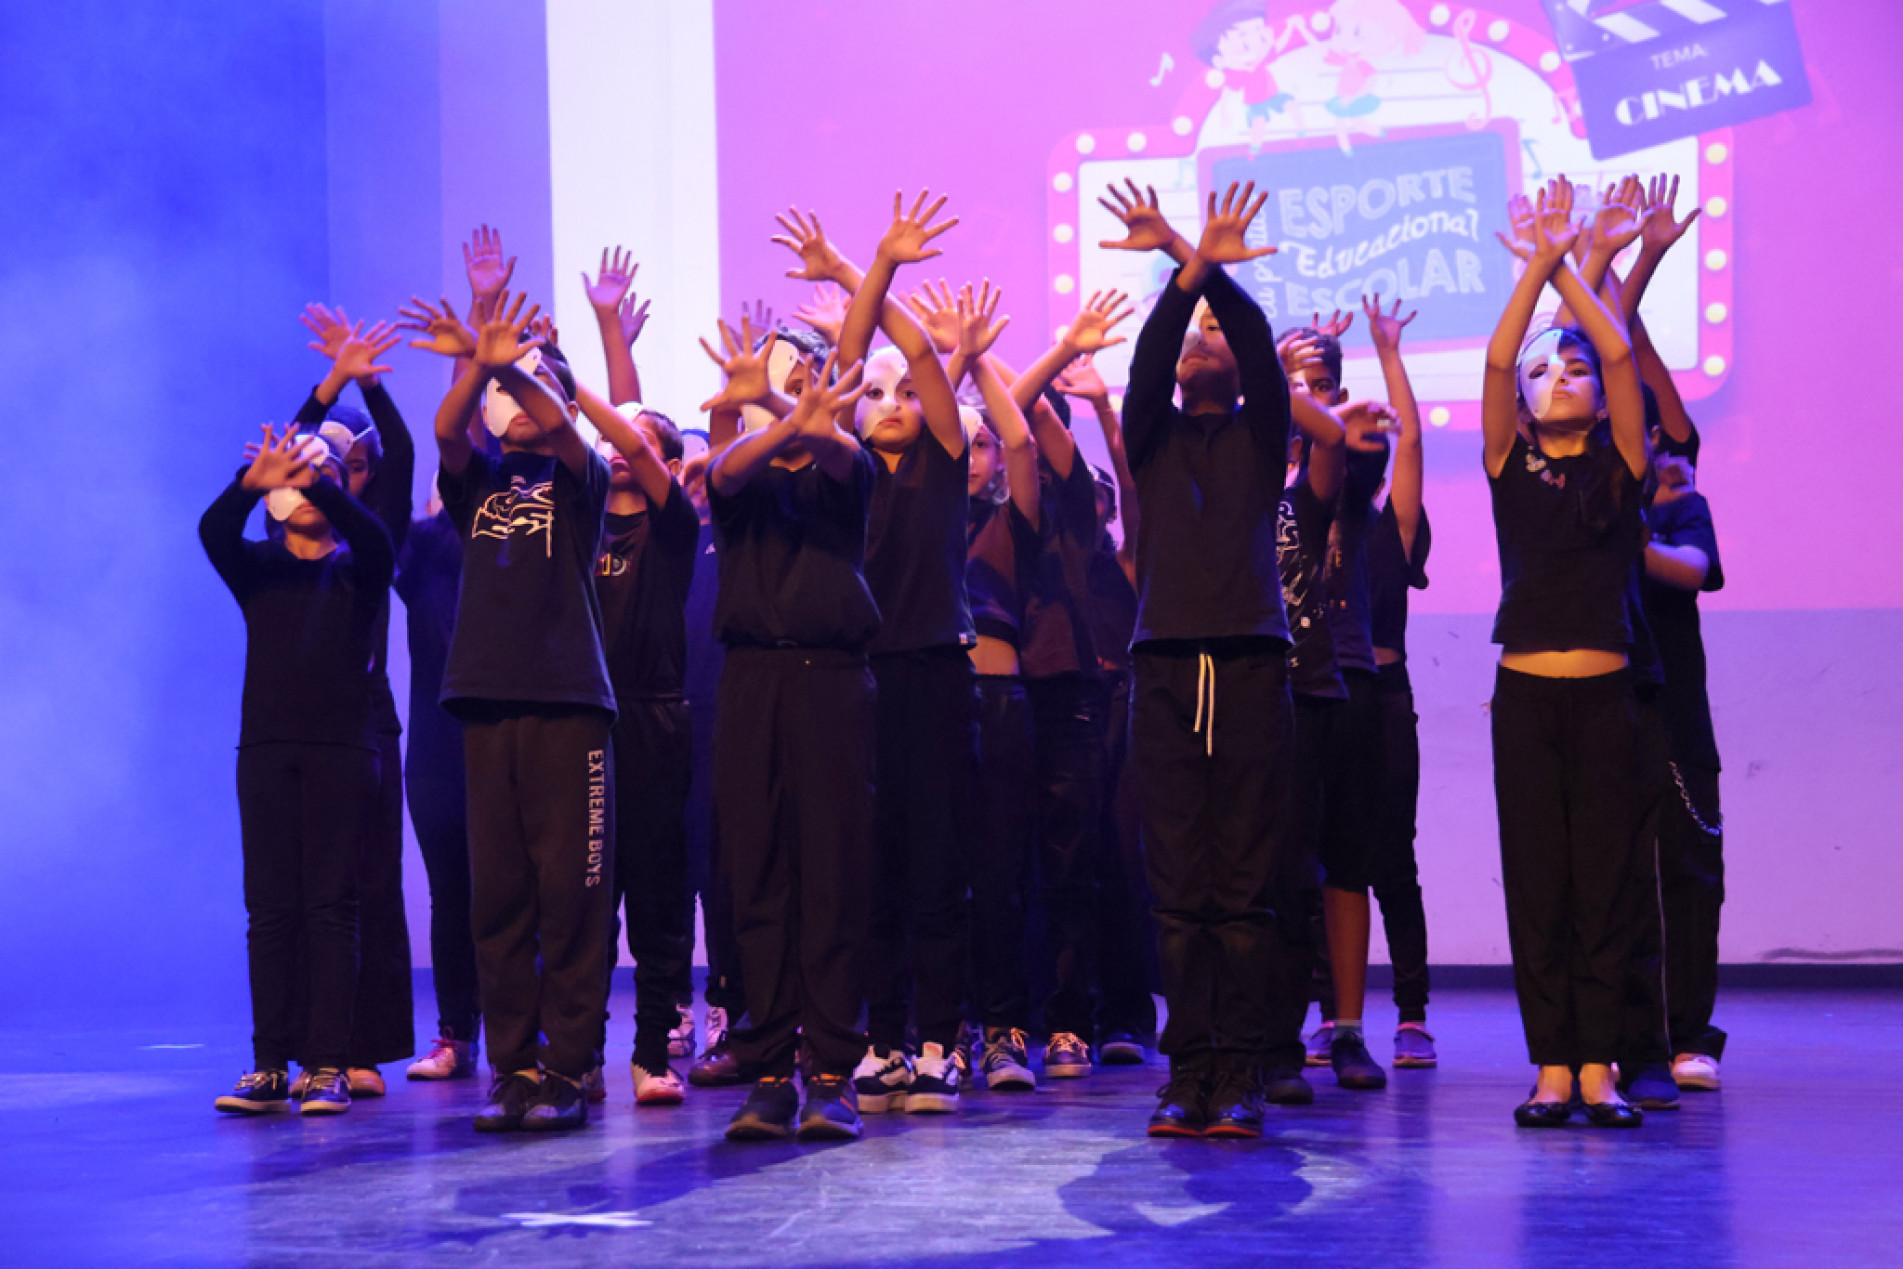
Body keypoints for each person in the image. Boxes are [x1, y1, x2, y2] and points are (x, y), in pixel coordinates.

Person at [1098, 179, 1298, 1139]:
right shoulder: (1150, 435)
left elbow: (1262, 351)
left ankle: (1241, 1070)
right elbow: (1142, 363)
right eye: (1193, 328)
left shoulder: (1264, 440)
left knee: (1245, 888)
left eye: (1212, 324)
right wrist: (1186, 268)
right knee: (1179, 883)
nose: (1203, 334)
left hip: (1253, 665)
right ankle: (1189, 1072)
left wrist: (1204, 260)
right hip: (1168, 667)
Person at [416, 289, 619, 1133]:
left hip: (569, 702)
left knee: (572, 892)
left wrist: (516, 364)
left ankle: (570, 1066)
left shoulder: (580, 477)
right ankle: (515, 1066)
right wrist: (481, 368)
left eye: (530, 388)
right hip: (487, 703)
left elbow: (568, 430)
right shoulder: (480, 484)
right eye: (505, 394)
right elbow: (445, 434)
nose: (511, 401)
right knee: (496, 896)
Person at [804, 195, 977, 1116]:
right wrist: (853, 277)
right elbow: (842, 370)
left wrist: (868, 270)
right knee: (864, 867)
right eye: (875, 398)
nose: (891, 402)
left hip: (935, 678)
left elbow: (914, 359)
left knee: (934, 865)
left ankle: (941, 1045)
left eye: (904, 394)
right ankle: (879, 1042)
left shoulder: (948, 461)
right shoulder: (846, 472)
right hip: (857, 682)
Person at [1485, 178, 1650, 1129]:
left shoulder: (1620, 464)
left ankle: (1600, 1065)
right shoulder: (1511, 465)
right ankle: (1552, 1065)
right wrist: (1540, 262)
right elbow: (1504, 353)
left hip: (1606, 698)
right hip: (1524, 701)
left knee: (1606, 882)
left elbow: (1619, 352)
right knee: (1538, 883)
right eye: (1546, 373)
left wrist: (1578, 284)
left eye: (1571, 371)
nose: (1556, 376)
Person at [697, 322, 880, 1144]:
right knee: (757, 870)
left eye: (803, 366)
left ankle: (832, 1072)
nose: (795, 379)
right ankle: (769, 1068)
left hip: (831, 682)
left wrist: (798, 412)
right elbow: (722, 469)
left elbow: (842, 457)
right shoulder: (748, 483)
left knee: (834, 874)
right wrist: (762, 409)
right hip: (750, 682)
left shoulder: (846, 468)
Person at [201, 423, 395, 1116]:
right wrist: (249, 480)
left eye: (320, 478)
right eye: (293, 483)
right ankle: (268, 1063)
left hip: (343, 750)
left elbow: (373, 537)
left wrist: (321, 477)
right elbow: (213, 529)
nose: (305, 489)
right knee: (271, 909)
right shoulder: (258, 566)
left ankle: (326, 1063)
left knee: (330, 907)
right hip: (265, 749)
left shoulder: (357, 567)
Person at [291, 307, 416, 1096]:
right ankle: (308, 1045)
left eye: (350, 467)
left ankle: (362, 1046)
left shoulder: (371, 540)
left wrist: (366, 386)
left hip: (365, 722)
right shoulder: (282, 546)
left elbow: (400, 452)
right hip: (296, 726)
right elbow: (270, 460)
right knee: (305, 888)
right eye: (325, 468)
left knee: (369, 879)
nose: (337, 479)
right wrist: (324, 388)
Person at [576, 392, 700, 1108]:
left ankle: (651, 1051)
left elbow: (648, 463)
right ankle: (582, 1050)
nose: (615, 444)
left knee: (656, 896)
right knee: (586, 899)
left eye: (634, 437)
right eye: (604, 436)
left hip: (655, 721)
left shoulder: (672, 529)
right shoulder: (577, 526)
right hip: (588, 723)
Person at [1355, 295, 1437, 1070]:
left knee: (1391, 859)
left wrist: (1387, 352)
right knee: (1319, 858)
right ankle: (1329, 1014)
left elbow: (1411, 438)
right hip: (1315, 698)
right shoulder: (1308, 518)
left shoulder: (1392, 522)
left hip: (1381, 698)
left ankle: (1410, 1013)